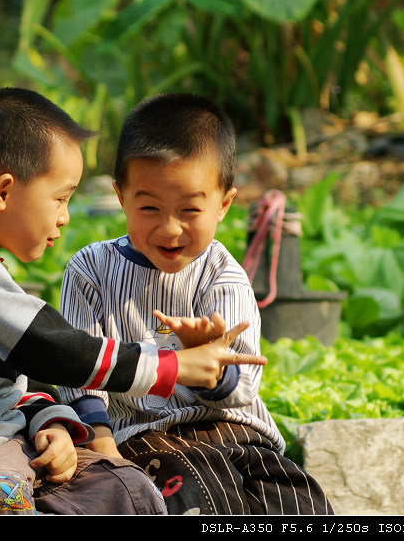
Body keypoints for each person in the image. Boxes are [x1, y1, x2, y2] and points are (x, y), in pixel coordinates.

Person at [0, 87, 260, 515]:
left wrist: (49, 423)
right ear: (3, 192)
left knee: (126, 486)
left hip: (5, 449)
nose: (65, 216)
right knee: (3, 499)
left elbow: (17, 380)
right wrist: (172, 366)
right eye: (60, 197)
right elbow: (53, 348)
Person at [57, 93, 333, 515]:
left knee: (299, 503)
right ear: (121, 197)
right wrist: (102, 442)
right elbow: (81, 370)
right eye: (149, 207)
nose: (170, 229)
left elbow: (244, 386)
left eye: (189, 209)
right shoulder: (90, 270)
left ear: (223, 204)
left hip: (239, 433)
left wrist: (214, 369)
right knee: (196, 498)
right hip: (147, 437)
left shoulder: (222, 276)